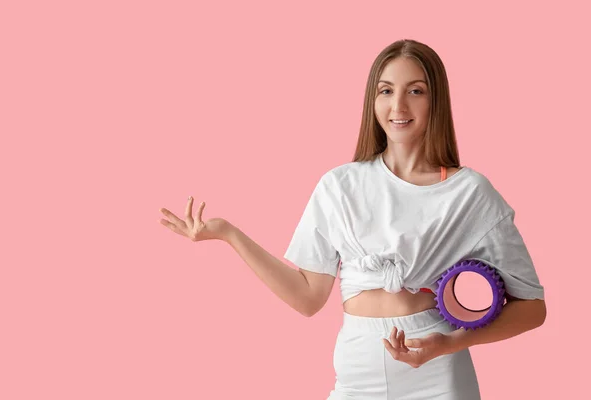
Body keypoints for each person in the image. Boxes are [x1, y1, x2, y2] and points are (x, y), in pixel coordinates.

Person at [159, 39, 547, 399]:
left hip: (437, 370)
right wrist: (229, 234)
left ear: (436, 101)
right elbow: (309, 298)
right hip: (356, 368)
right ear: (372, 100)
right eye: (386, 91)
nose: (398, 107)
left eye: (415, 91)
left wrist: (451, 343)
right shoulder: (339, 185)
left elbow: (532, 308)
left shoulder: (471, 193)